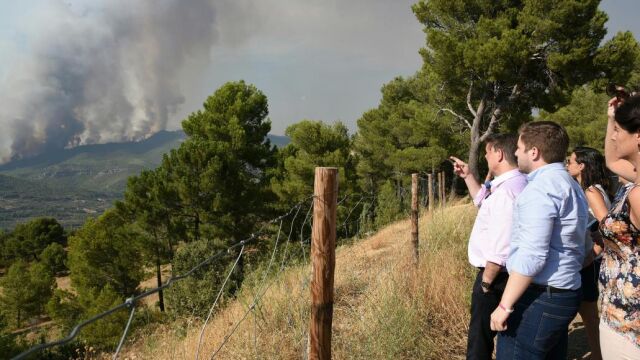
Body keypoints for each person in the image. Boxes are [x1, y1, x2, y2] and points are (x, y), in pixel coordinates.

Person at [490, 121, 589, 359]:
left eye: (519, 147)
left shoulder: (541, 189)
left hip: (542, 295)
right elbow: (584, 241)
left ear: (534, 152)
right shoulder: (571, 185)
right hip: (565, 291)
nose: (515, 152)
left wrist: (504, 306)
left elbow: (532, 255)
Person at [450, 133, 527, 360]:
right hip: (511, 274)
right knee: (508, 335)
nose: (485, 156)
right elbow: (484, 203)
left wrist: (486, 282)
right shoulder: (517, 183)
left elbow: (501, 244)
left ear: (499, 154)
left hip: (496, 277)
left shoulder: (505, 192)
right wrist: (468, 176)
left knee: (480, 341)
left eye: (487, 152)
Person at [596, 95, 640, 358]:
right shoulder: (633, 179)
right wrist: (613, 117)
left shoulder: (637, 193)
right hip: (618, 311)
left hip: (630, 323)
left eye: (618, 131)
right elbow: (612, 161)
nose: (613, 137)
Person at [566, 146, 611, 360]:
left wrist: (591, 255)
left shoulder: (591, 191)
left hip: (590, 263)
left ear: (581, 166)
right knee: (589, 315)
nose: (567, 165)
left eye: (570, 161)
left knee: (590, 316)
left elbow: (603, 229)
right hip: (590, 261)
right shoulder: (594, 189)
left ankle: (598, 354)